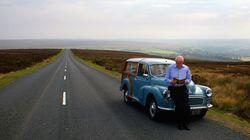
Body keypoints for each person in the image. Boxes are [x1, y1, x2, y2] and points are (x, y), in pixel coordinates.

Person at [165, 56, 192, 130]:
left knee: (186, 106)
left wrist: (186, 81)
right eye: (177, 63)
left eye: (180, 63)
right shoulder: (170, 67)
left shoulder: (186, 68)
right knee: (179, 106)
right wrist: (171, 81)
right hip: (173, 88)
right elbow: (166, 78)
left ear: (183, 62)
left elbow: (189, 78)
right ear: (175, 61)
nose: (179, 64)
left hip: (183, 88)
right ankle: (179, 123)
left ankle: (185, 123)